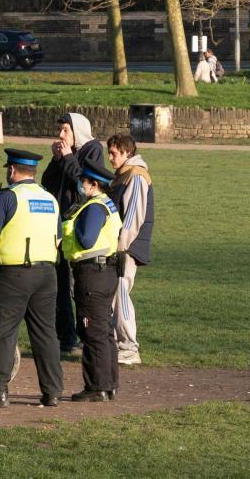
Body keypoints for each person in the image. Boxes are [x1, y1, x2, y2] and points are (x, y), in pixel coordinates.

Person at [0, 149, 62, 408]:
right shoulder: (50, 199)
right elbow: (59, 238)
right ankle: (52, 392)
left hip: (13, 274)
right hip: (47, 273)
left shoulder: (8, 197)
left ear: (12, 170)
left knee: (3, 332)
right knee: (45, 334)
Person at [40, 112, 107, 355]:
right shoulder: (68, 152)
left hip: (76, 229)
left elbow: (83, 184)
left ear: (77, 131)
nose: (61, 135)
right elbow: (47, 182)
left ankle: (84, 337)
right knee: (58, 284)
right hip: (56, 226)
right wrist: (57, 159)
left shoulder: (92, 149)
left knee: (76, 286)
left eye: (66, 130)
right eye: (60, 130)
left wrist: (68, 156)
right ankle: (66, 338)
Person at [61, 161, 122, 403]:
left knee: (92, 331)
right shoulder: (108, 204)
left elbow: (86, 240)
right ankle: (109, 384)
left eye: (83, 182)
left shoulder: (94, 208)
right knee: (105, 331)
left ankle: (96, 387)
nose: (80, 185)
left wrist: (71, 228)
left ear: (93, 185)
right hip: (105, 272)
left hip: (92, 275)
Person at [106, 134, 154, 366]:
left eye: (114, 153)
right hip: (122, 247)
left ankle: (129, 347)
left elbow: (133, 216)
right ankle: (119, 344)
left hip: (126, 248)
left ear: (127, 153)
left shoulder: (135, 177)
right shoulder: (123, 176)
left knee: (121, 293)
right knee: (115, 294)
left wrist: (120, 247)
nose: (110, 157)